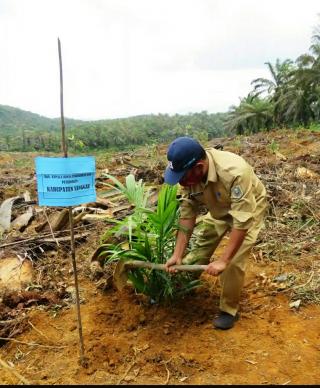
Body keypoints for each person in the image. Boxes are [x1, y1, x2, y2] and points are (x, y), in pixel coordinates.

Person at [164, 136, 267, 330]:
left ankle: (229, 310)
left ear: (199, 167)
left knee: (234, 261)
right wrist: (177, 255)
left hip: (249, 207)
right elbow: (187, 216)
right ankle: (187, 283)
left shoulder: (235, 172)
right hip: (218, 206)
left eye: (183, 177)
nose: (181, 183)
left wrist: (223, 260)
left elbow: (241, 221)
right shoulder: (187, 177)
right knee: (204, 240)